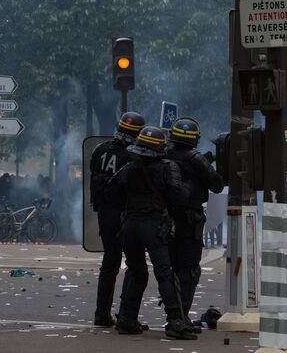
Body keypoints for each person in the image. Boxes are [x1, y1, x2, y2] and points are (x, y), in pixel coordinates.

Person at [114, 126, 196, 340]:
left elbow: (112, 192)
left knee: (136, 271)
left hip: (130, 225)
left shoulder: (129, 168)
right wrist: (189, 183)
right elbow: (180, 199)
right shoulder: (167, 168)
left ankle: (126, 319)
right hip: (153, 225)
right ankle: (176, 322)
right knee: (164, 273)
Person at [165, 117, 224, 333]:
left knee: (170, 269)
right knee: (189, 270)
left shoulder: (163, 153)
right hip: (190, 220)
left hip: (166, 219)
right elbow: (217, 185)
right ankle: (182, 317)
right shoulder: (196, 159)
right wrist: (203, 169)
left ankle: (174, 315)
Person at [90, 111, 145, 327]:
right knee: (135, 265)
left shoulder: (100, 150)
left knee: (110, 263)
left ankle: (101, 313)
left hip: (105, 213)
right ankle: (126, 315)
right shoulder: (134, 157)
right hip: (125, 215)